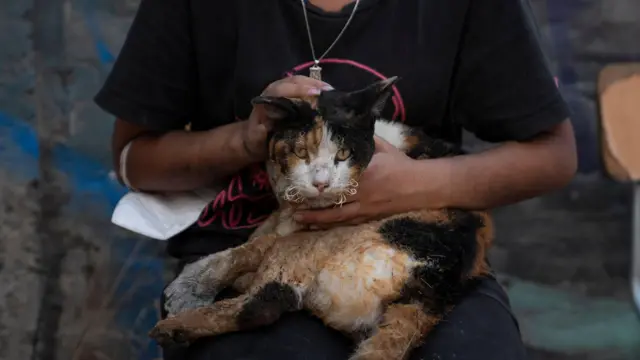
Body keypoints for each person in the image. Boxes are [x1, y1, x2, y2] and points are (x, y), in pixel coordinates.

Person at [95, 0, 577, 359]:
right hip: (246, 253)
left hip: (411, 249)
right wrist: (246, 140)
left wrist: (411, 185)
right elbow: (134, 159)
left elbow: (554, 155)